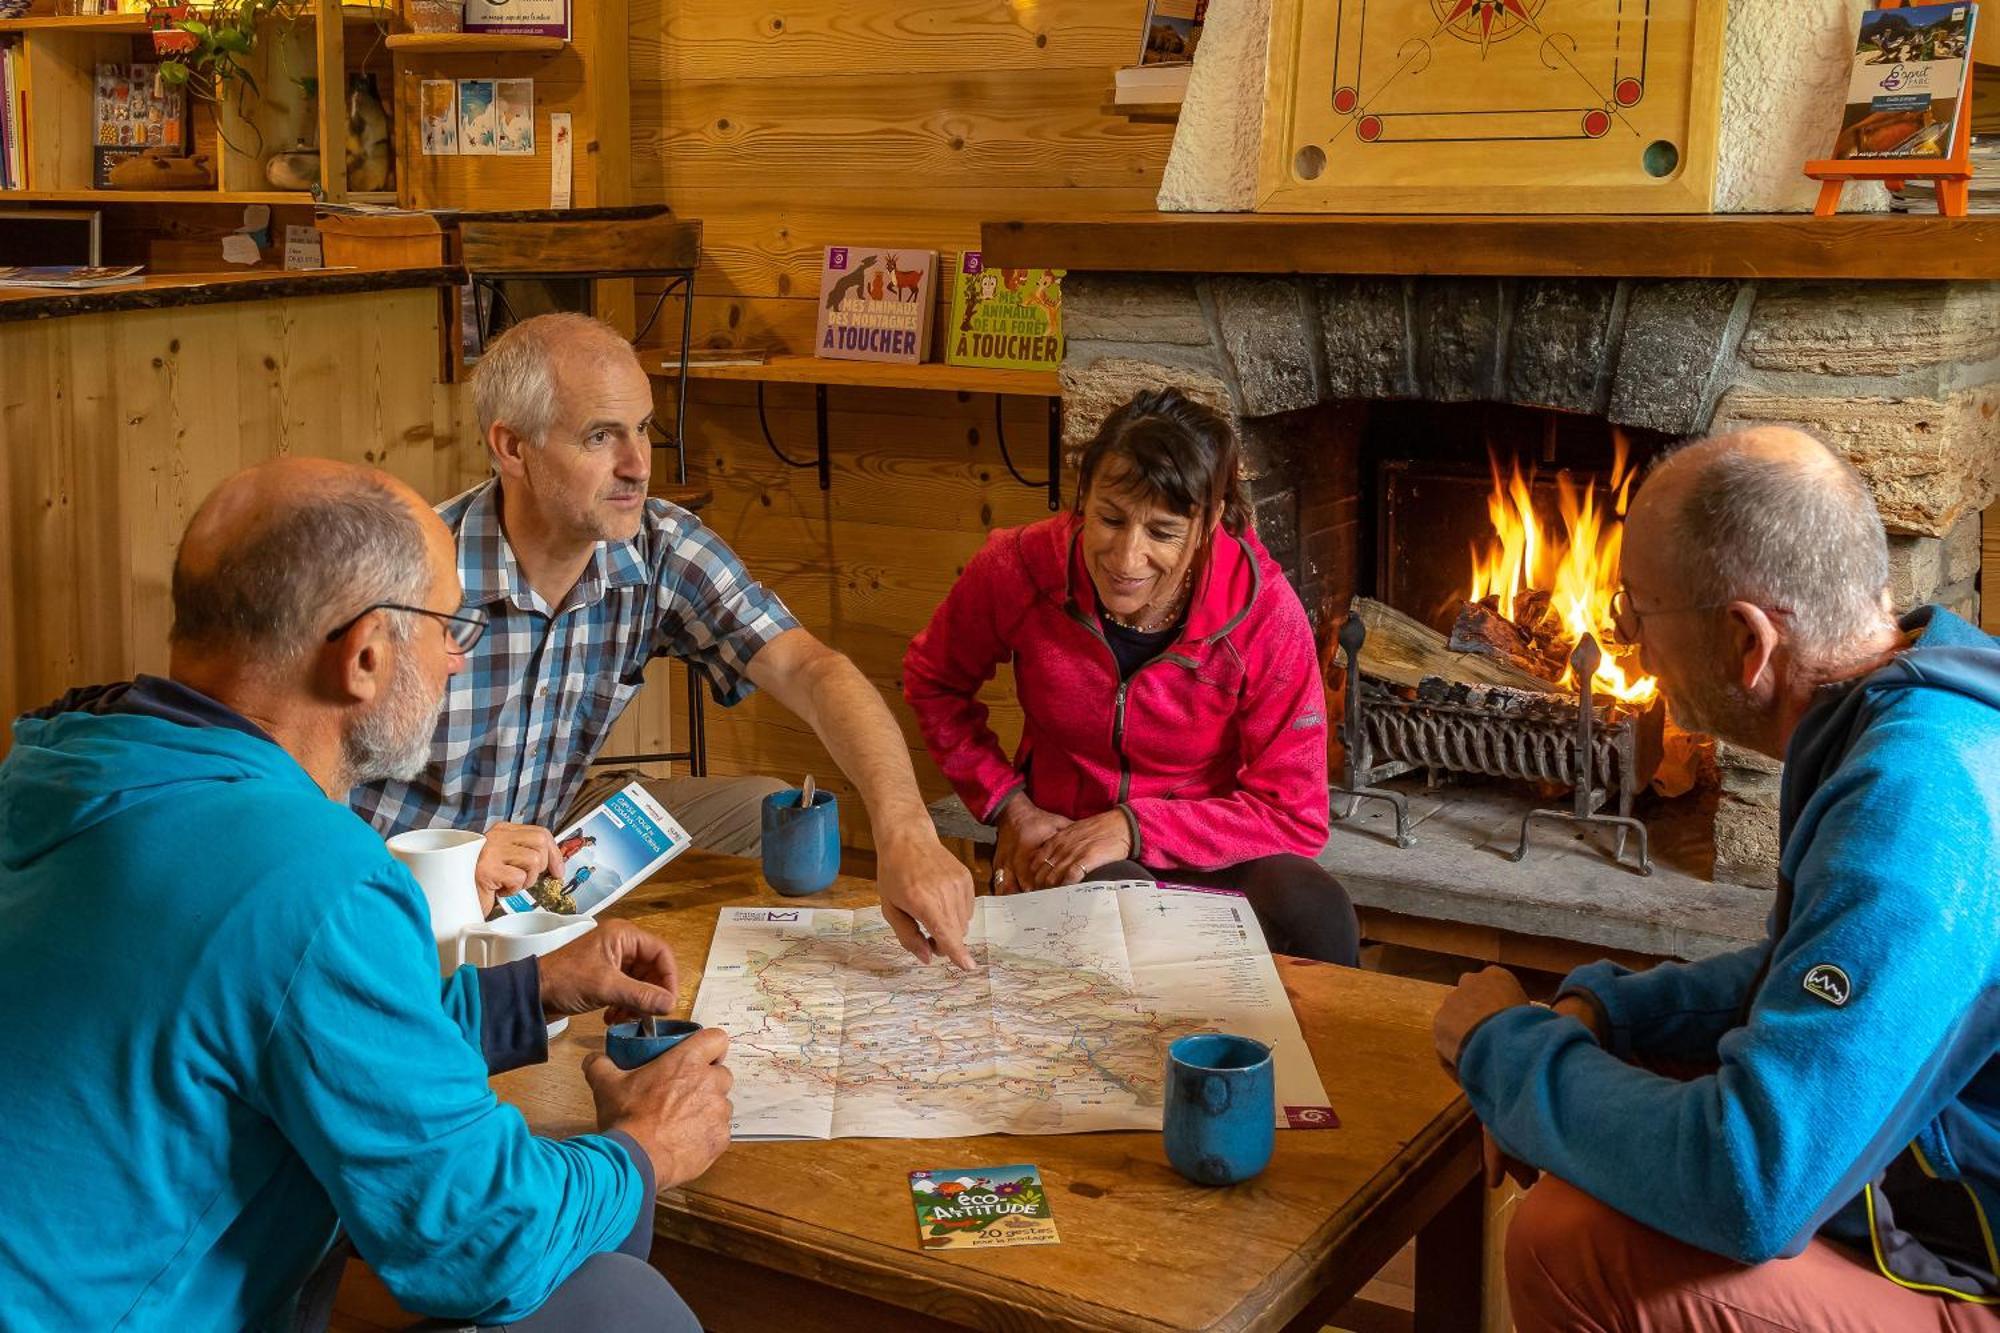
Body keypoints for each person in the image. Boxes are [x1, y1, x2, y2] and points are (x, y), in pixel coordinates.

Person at [0, 459, 734, 1330]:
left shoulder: (57, 761)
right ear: (365, 657)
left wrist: (524, 992)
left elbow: (272, 1024)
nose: (459, 657)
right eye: (447, 625)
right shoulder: (312, 873)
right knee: (620, 1308)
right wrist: (648, 1146)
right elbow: (481, 1243)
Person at [1431, 428, 2000, 1330]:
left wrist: (1504, 1054)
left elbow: (1753, 1183)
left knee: (1568, 1239)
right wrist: (1610, 1014)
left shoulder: (1917, 807)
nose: (1628, 645)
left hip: (1976, 1266)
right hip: (1929, 1181)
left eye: (1637, 614)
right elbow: (1798, 972)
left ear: (1746, 641)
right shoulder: (1913, 705)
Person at [350, 312, 975, 969]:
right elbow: (285, 798)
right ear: (512, 448)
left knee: (764, 805)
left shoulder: (658, 545)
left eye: (644, 428)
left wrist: (906, 828)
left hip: (546, 840)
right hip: (397, 884)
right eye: (601, 436)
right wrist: (451, 865)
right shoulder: (411, 574)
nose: (639, 465)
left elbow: (813, 670)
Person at [903, 387, 1359, 966]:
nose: (1126, 559)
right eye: (1110, 519)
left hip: (1212, 842)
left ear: (1209, 522)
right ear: (1082, 499)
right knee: (1119, 908)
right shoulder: (1017, 569)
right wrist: (1010, 806)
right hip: (1061, 838)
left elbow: (1295, 815)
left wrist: (1135, 826)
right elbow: (933, 681)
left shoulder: (1265, 613)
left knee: (1318, 908)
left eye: (1163, 533)